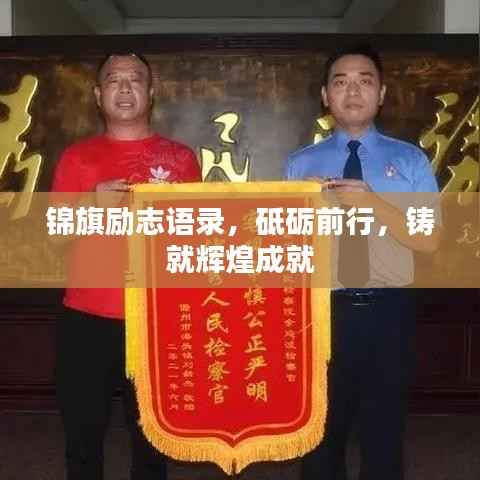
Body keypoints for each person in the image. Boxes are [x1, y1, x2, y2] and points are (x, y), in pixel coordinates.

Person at [285, 44, 440, 480]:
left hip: (389, 312)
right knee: (320, 438)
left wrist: (373, 202)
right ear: (325, 95)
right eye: (341, 82)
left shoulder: (410, 160)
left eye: (364, 81)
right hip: (322, 313)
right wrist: (303, 209)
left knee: (384, 437)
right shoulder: (301, 164)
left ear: (382, 93)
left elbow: (429, 239)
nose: (352, 91)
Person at [51, 52, 201, 480]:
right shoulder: (76, 158)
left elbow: (194, 237)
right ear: (98, 95)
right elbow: (55, 234)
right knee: (83, 440)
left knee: (152, 444)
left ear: (151, 93)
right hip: (86, 319)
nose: (124, 87)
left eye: (134, 79)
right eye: (113, 80)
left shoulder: (180, 159)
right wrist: (90, 203)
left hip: (155, 319)